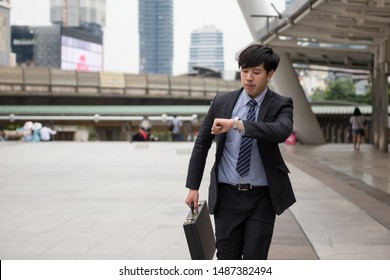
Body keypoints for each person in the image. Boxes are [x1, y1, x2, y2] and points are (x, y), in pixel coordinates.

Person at [184, 44, 296, 260]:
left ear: (270, 74)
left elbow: (281, 131)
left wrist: (238, 124)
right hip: (226, 197)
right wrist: (193, 187)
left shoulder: (281, 104)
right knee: (227, 260)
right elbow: (202, 144)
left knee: (255, 261)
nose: (248, 78)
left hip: (262, 198)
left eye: (256, 72)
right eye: (244, 71)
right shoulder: (222, 101)